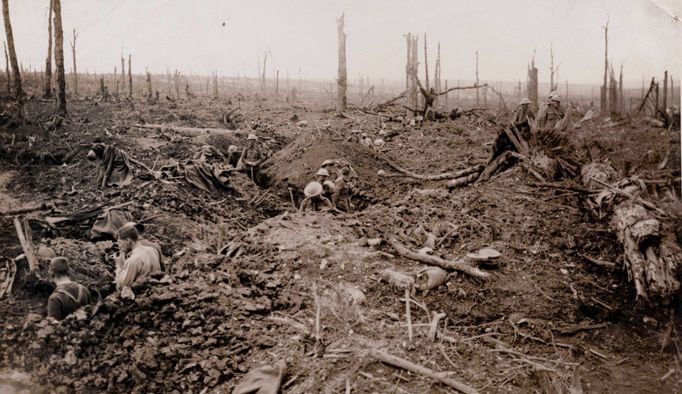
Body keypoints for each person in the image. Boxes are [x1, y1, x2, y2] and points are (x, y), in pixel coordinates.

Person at [114, 226, 162, 293]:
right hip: (157, 291)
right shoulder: (152, 250)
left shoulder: (133, 260)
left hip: (142, 296)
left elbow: (121, 287)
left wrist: (119, 266)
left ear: (128, 240)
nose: (119, 246)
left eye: (120, 242)